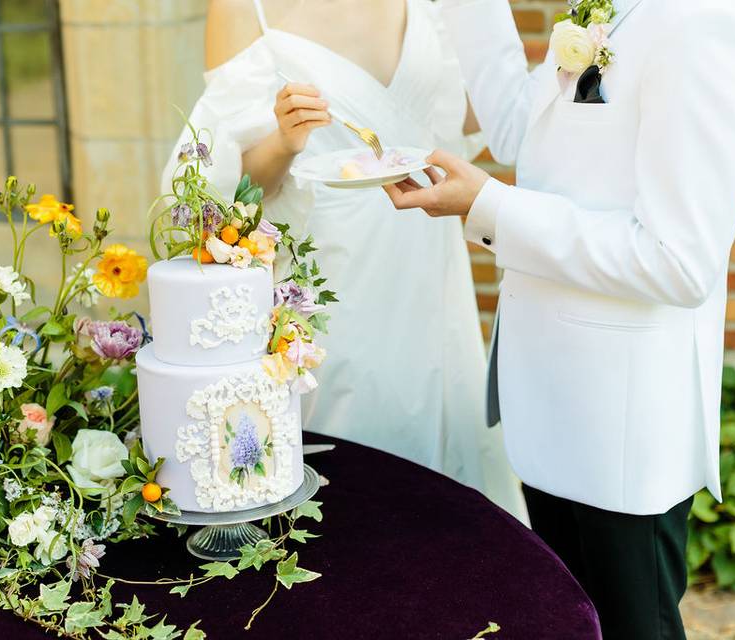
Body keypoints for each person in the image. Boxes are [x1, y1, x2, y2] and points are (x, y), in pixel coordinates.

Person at [382, 0, 735, 637]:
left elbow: (680, 262)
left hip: (620, 427)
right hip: (552, 406)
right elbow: (515, 131)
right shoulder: (608, 6)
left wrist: (490, 209)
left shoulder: (704, 19)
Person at [162, 0, 527, 520]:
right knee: (353, 468)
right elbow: (227, 195)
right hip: (332, 270)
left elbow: (470, 112)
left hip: (427, 254)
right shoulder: (245, 8)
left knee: (447, 477)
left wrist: (559, 78)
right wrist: (285, 142)